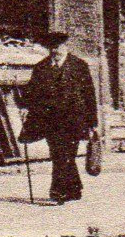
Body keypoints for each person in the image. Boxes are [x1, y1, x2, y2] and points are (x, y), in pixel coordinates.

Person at [17, 30, 99, 204]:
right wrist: (25, 107)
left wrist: (93, 122)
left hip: (74, 120)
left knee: (66, 154)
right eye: (52, 48)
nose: (55, 51)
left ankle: (59, 191)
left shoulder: (79, 66)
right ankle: (74, 189)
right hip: (50, 120)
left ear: (65, 46)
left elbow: (89, 95)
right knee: (59, 154)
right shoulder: (41, 67)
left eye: (59, 47)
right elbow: (31, 92)